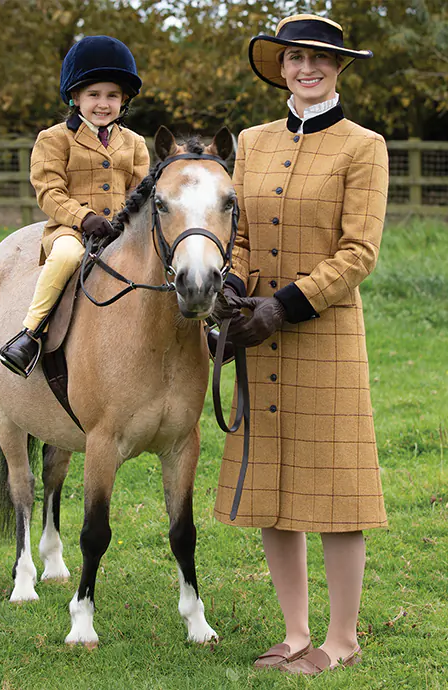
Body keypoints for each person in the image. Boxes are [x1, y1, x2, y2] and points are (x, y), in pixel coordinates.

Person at [212, 14, 389, 675]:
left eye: (319, 58)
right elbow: (243, 233)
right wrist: (233, 286)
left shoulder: (363, 146)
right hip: (256, 333)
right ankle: (294, 633)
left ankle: (341, 640)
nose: (306, 68)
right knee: (273, 489)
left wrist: (283, 306)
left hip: (323, 336)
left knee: (338, 496)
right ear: (280, 67)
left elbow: (359, 250)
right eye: (294, 58)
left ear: (339, 68)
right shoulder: (253, 142)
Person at [0, 35, 150, 377]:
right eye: (94, 94)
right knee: (67, 256)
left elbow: (140, 193)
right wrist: (84, 218)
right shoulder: (53, 139)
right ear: (75, 96)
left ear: (123, 100)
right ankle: (30, 333)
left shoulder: (136, 143)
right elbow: (49, 192)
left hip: (121, 232)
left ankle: (201, 329)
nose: (103, 104)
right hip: (70, 230)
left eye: (112, 95)